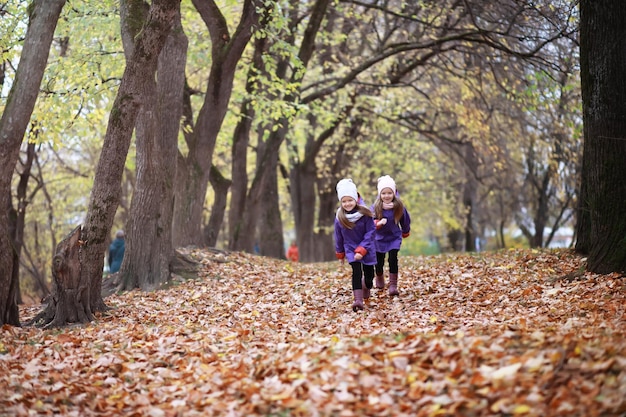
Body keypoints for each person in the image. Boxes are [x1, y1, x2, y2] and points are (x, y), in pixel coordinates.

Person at [334, 179, 377, 311]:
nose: (347, 204)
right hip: (350, 249)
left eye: (350, 200)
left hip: (367, 247)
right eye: (344, 201)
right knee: (356, 272)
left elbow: (371, 232)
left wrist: (363, 248)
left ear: (355, 199)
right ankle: (358, 300)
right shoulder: (340, 218)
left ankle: (366, 285)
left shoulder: (365, 214)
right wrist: (340, 253)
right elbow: (338, 237)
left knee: (369, 275)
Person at [372, 175, 411, 296]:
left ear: (394, 193)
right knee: (379, 261)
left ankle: (393, 285)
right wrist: (378, 223)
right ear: (380, 194)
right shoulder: (376, 207)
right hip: (379, 238)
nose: (387, 196)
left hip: (394, 237)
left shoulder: (399, 206)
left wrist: (405, 230)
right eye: (384, 193)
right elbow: (368, 222)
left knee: (393, 259)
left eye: (389, 193)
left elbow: (405, 219)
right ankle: (379, 276)